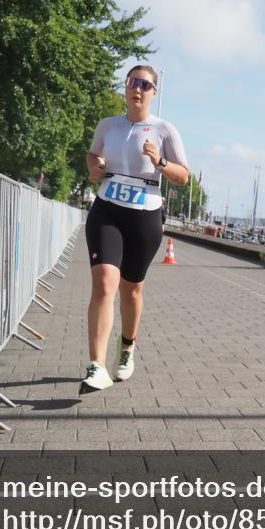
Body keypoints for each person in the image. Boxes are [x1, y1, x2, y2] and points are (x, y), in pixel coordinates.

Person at [81, 65, 189, 393]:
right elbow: (93, 154)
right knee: (104, 283)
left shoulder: (164, 130)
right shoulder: (107, 125)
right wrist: (93, 167)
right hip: (107, 211)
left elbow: (184, 176)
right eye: (132, 82)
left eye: (145, 84)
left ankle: (126, 347)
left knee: (131, 289)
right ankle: (96, 365)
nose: (137, 89)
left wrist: (159, 162)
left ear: (154, 92)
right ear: (126, 88)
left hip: (144, 216)